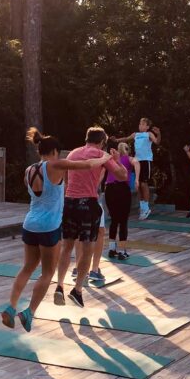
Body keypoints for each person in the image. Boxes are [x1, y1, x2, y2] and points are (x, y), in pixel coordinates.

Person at [1, 129, 111, 332]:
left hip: (29, 224)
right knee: (47, 272)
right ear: (54, 152)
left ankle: (11, 305)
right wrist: (104, 157)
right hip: (48, 226)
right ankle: (29, 312)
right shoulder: (55, 165)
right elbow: (85, 165)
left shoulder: (29, 170)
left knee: (27, 267)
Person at [54, 127, 126, 308]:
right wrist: (118, 160)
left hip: (69, 202)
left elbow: (66, 179)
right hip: (88, 203)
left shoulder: (73, 153)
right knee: (88, 248)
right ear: (102, 141)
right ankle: (77, 290)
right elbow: (121, 175)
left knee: (66, 246)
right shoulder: (101, 154)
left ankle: (59, 285)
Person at [117, 118, 160, 220]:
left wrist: (158, 134)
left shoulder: (149, 134)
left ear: (147, 127)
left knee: (144, 184)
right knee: (138, 185)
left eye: (143, 124)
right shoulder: (135, 134)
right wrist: (117, 140)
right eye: (140, 123)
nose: (140, 125)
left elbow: (157, 142)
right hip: (137, 161)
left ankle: (146, 208)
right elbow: (126, 139)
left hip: (146, 161)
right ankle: (142, 207)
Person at [105, 140, 136, 261]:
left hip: (110, 189)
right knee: (123, 221)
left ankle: (112, 249)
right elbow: (137, 163)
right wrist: (137, 178)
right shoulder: (128, 159)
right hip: (122, 189)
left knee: (114, 220)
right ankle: (122, 251)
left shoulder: (108, 160)